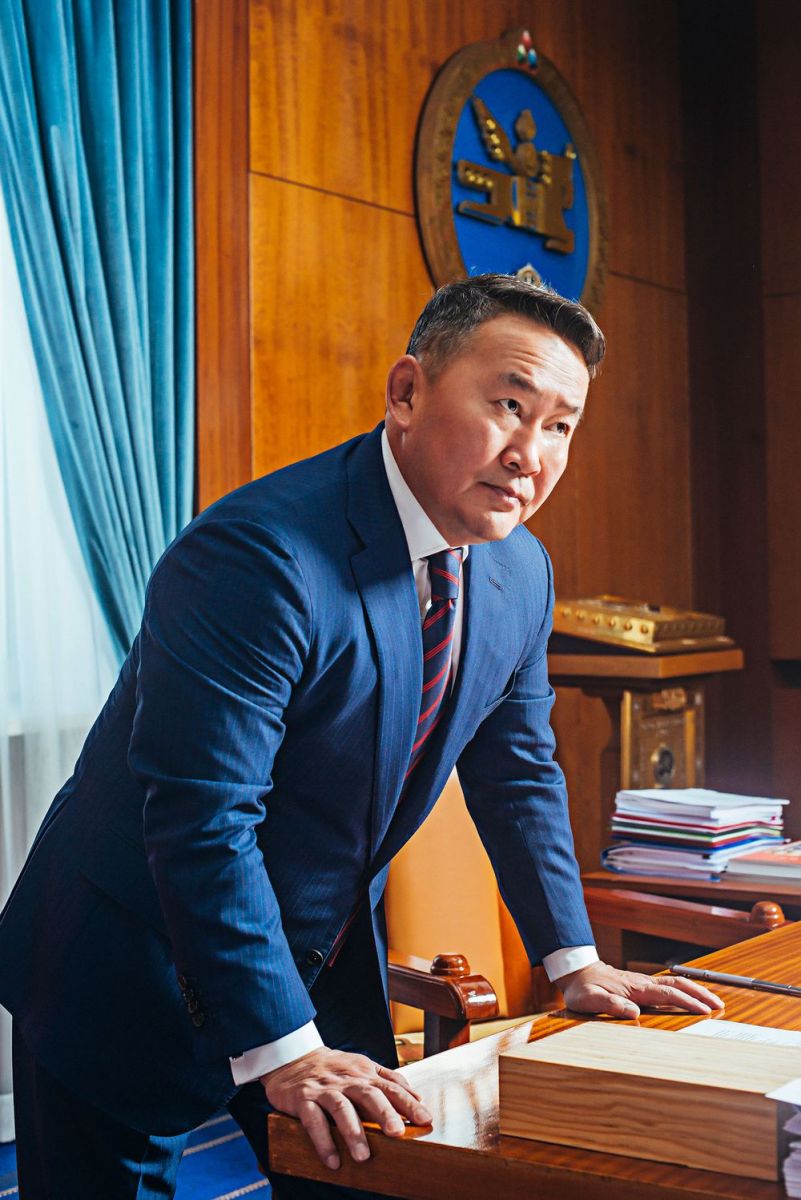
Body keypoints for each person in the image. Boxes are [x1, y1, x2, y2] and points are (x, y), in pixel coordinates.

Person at [0, 275, 722, 1199]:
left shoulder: (519, 570)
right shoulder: (256, 556)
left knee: (372, 1177)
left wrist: (571, 960)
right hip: (126, 953)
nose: (528, 455)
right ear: (406, 391)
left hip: (318, 947)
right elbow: (202, 818)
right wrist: (285, 1051)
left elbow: (518, 772)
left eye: (558, 426)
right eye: (508, 406)